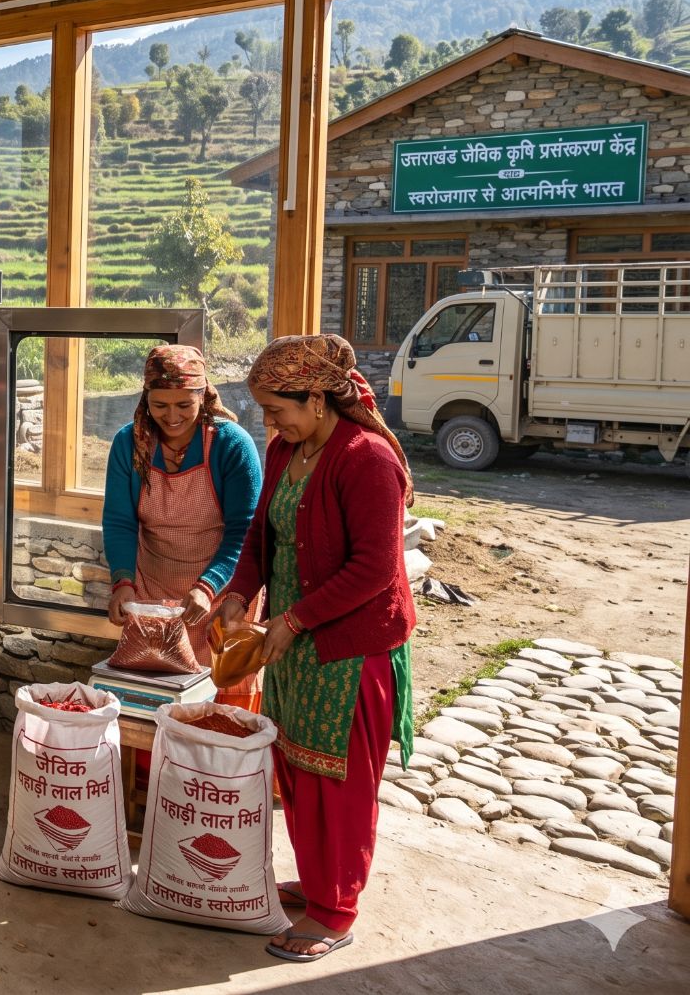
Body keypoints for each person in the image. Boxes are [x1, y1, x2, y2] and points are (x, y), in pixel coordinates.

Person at [215, 334, 416, 964]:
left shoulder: (367, 459)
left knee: (343, 779)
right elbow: (262, 534)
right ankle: (319, 881)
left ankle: (336, 910)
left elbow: (374, 570)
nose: (269, 423)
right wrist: (238, 594)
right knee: (299, 770)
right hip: (295, 640)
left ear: (320, 398)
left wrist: (294, 620)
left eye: (278, 410)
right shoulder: (286, 450)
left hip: (352, 648)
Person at [101, 344, 264, 708]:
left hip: (224, 591)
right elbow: (119, 521)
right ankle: (152, 767)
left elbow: (244, 530)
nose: (171, 417)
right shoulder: (129, 444)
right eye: (160, 406)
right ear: (146, 399)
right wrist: (123, 581)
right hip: (152, 590)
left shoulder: (232, 446)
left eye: (184, 406)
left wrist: (208, 587)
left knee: (221, 703)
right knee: (156, 697)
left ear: (203, 397)